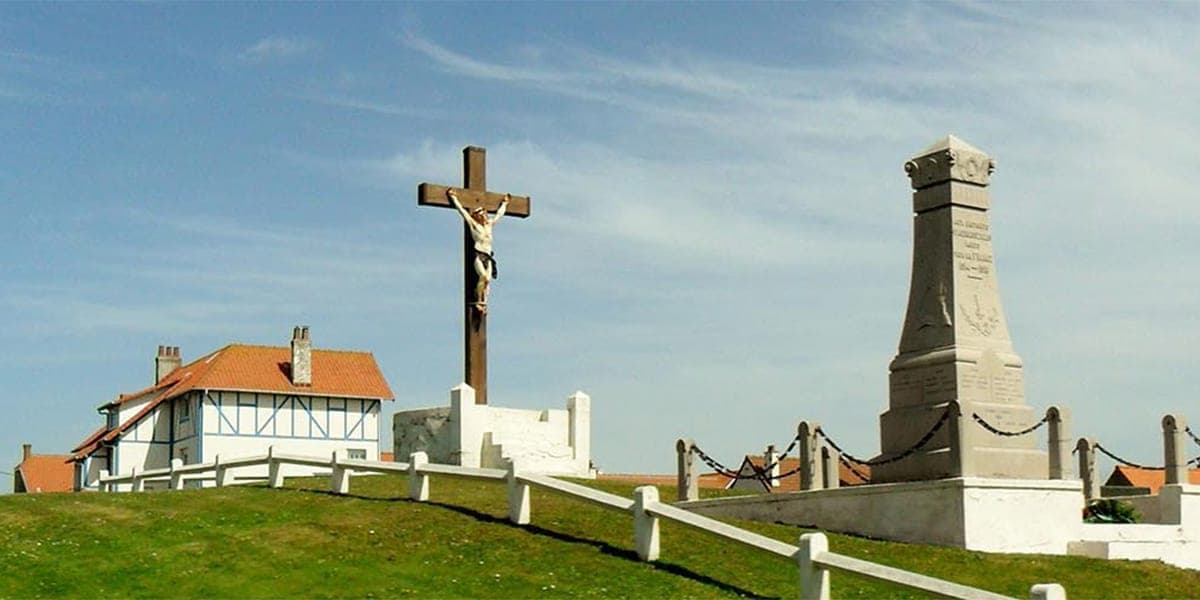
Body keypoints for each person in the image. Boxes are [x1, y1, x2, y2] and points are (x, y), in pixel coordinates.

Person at [448, 189, 508, 314]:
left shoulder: (489, 225)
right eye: (482, 213)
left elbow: (499, 215)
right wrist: (454, 198)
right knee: (483, 277)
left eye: (485, 213)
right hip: (479, 255)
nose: (485, 215)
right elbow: (462, 211)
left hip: (488, 255)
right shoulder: (474, 224)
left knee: (488, 281)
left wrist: (504, 204)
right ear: (477, 215)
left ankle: (484, 302)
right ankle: (478, 300)